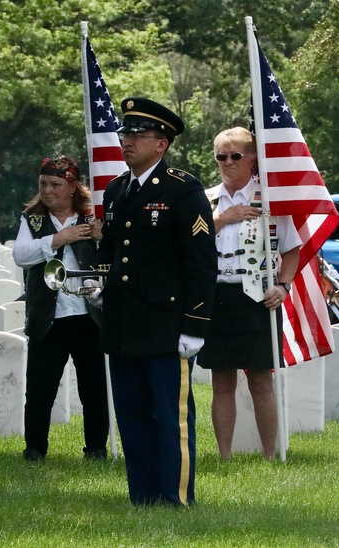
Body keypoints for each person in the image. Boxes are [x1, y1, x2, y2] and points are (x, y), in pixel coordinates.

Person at [96, 97, 216, 506]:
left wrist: (195, 324)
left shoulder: (183, 189)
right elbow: (111, 252)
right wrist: (98, 282)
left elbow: (201, 263)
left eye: (136, 134)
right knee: (131, 416)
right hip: (124, 321)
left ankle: (176, 496)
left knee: (171, 418)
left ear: (161, 144)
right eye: (124, 133)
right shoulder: (115, 190)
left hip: (167, 323)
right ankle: (143, 496)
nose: (126, 141)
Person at [199, 127, 302, 461]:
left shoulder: (269, 199)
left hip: (257, 296)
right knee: (221, 381)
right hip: (217, 294)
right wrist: (223, 218)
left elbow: (292, 250)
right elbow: (189, 242)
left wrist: (283, 286)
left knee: (260, 380)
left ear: (252, 159)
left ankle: (270, 454)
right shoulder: (205, 199)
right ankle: (224, 455)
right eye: (221, 156)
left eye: (235, 156)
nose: (227, 163)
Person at [12, 154, 108, 462]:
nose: (48, 190)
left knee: (94, 389)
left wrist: (102, 235)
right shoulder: (33, 220)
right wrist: (56, 239)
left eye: (55, 184)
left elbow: (116, 252)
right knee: (40, 390)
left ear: (72, 186)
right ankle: (35, 449)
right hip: (48, 318)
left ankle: (95, 448)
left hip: (87, 316)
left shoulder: (92, 217)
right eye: (43, 183)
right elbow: (21, 255)